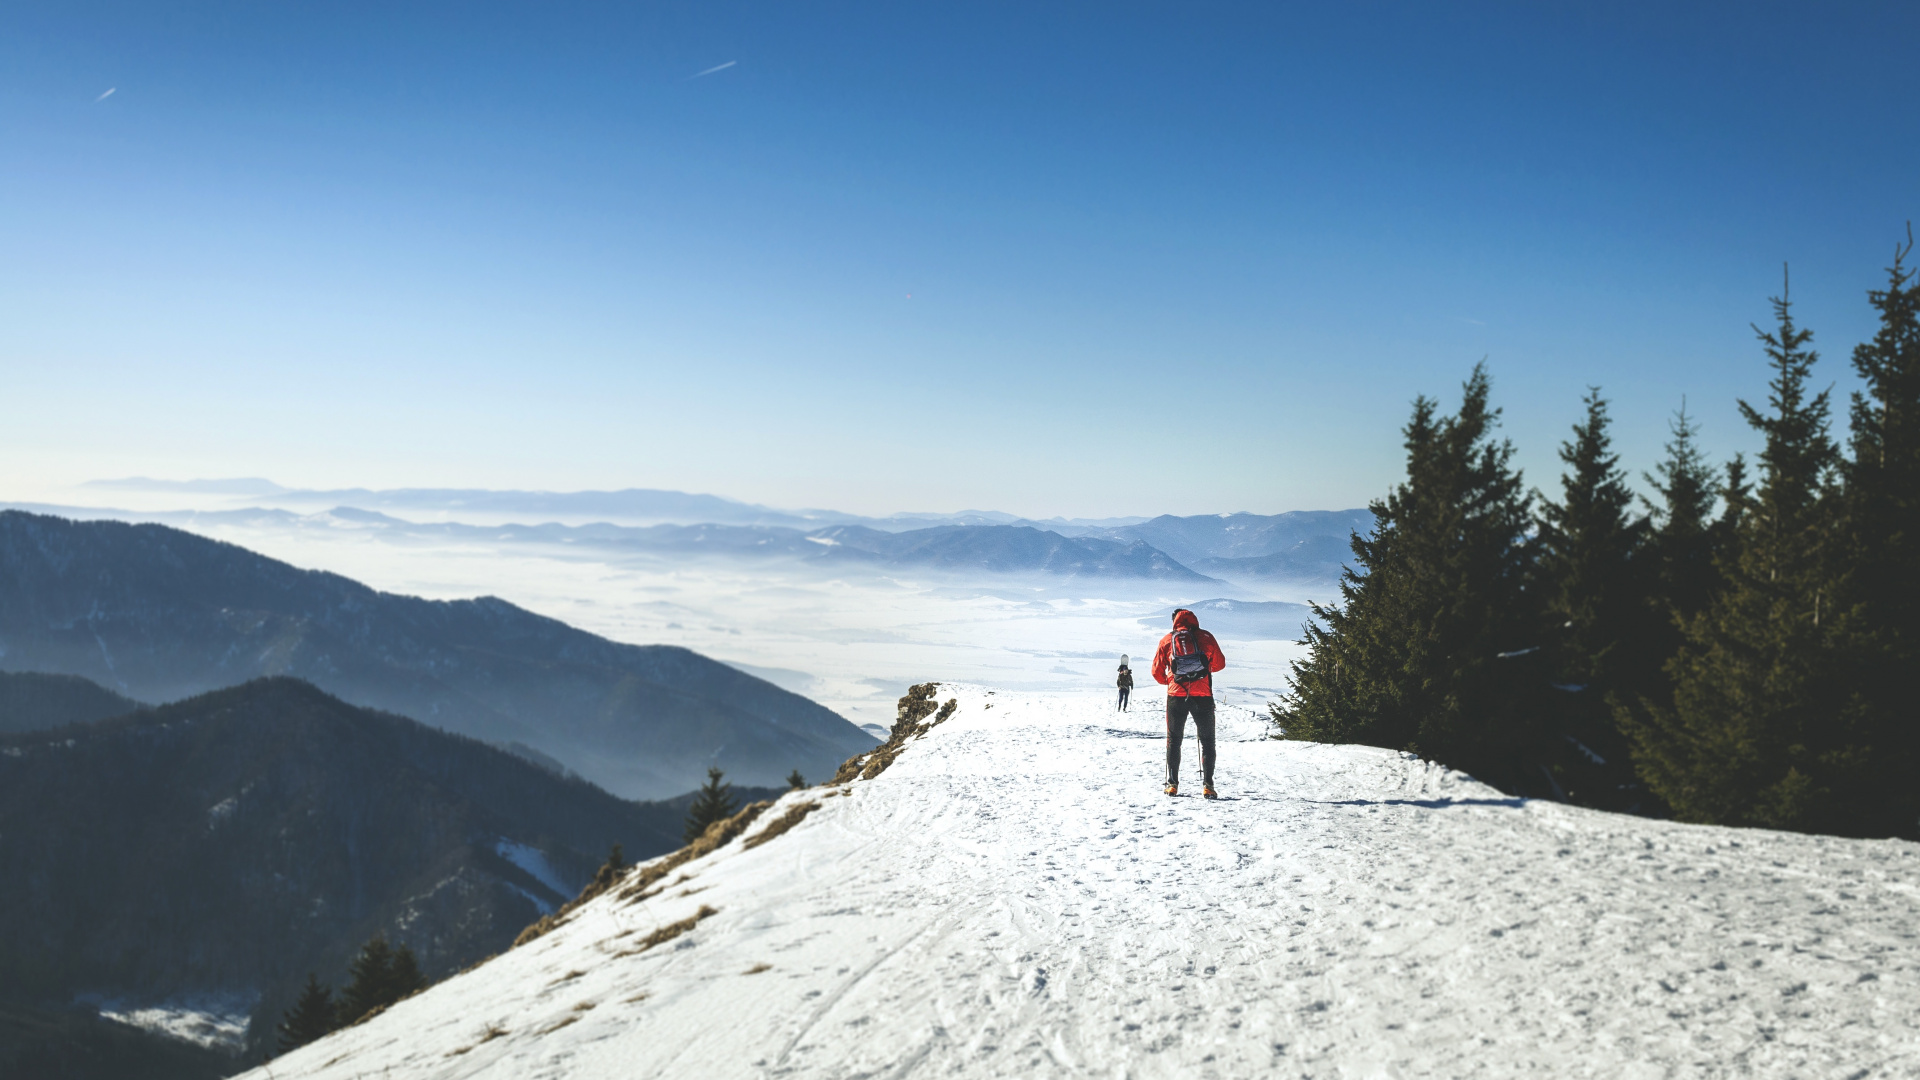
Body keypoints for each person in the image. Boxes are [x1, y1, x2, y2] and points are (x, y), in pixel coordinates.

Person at [1151, 608, 1226, 798]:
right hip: (1203, 695)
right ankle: (1208, 786)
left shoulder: (1167, 640)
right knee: (1208, 742)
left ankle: (1172, 785)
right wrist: (1201, 671)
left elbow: (1157, 672)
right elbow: (1219, 664)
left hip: (1176, 696)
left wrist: (1173, 680)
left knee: (1174, 741)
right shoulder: (1206, 637)